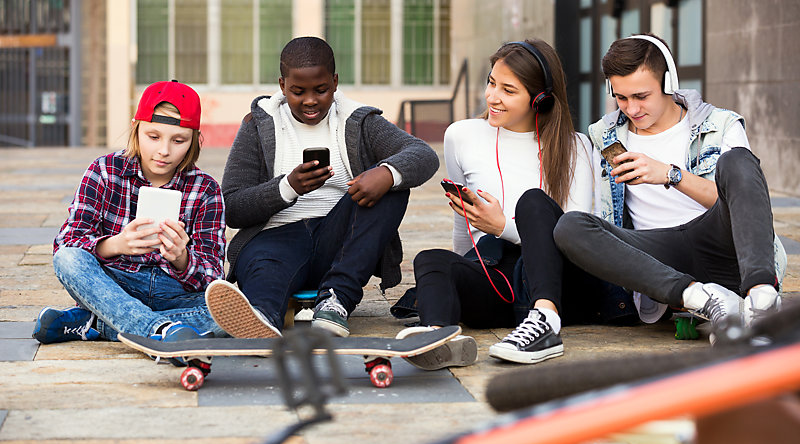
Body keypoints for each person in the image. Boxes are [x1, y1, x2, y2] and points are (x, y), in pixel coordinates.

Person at [554, 34, 786, 343]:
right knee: (569, 227)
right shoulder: (604, 135)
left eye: (641, 96)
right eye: (622, 98)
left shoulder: (720, 125)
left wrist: (669, 174)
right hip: (659, 258)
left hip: (722, 243)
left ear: (668, 82)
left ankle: (761, 303)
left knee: (738, 161)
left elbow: (744, 204)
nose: (631, 108)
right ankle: (705, 300)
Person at [400, 39, 616, 368]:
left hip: (560, 284)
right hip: (501, 284)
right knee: (432, 261)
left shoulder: (576, 147)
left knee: (533, 203)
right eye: (491, 82)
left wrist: (501, 226)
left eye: (508, 90)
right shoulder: (462, 135)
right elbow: (464, 227)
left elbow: (578, 240)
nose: (492, 97)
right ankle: (438, 337)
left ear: (539, 99)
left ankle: (545, 322)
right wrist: (459, 275)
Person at [205, 36, 438, 338]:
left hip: (338, 243)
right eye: (297, 92)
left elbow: (423, 155)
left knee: (393, 183)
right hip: (274, 241)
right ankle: (260, 317)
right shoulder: (258, 125)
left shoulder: (359, 121)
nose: (310, 100)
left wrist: (385, 173)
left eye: (321, 89)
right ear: (281, 85)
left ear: (336, 82)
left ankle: (335, 300)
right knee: (266, 276)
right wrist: (287, 187)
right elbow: (232, 207)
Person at [33, 80, 226, 353]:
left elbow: (214, 276)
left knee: (234, 313)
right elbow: (67, 243)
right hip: (113, 284)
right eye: (154, 137)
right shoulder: (103, 170)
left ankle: (99, 324)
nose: (164, 151)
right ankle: (157, 330)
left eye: (178, 140)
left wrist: (182, 258)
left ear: (194, 140)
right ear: (136, 129)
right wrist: (117, 245)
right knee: (67, 258)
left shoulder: (206, 190)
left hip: (173, 294)